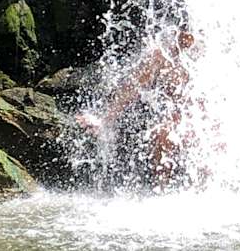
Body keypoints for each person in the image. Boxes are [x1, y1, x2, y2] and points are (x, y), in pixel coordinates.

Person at [78, 29, 195, 181]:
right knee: (162, 134)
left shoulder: (213, 50)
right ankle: (161, 191)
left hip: (213, 122)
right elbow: (132, 87)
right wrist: (105, 120)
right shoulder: (163, 54)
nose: (185, 36)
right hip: (182, 121)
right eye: (182, 32)